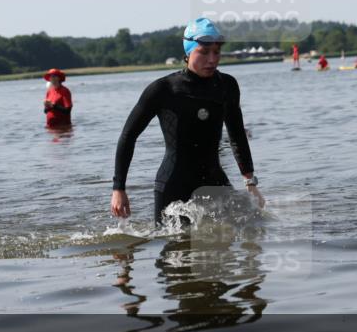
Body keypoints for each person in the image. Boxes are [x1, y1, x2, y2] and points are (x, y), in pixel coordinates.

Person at [111, 17, 262, 224]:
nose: (212, 59)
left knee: (233, 242)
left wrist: (250, 183)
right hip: (173, 185)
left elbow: (236, 133)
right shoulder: (164, 89)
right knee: (173, 249)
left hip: (214, 181)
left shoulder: (227, 85)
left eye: (216, 52)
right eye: (204, 52)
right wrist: (119, 188)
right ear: (189, 51)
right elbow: (128, 136)